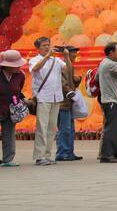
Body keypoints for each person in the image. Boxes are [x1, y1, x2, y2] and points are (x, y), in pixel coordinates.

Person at [28, 37, 65, 166]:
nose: (47, 47)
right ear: (38, 48)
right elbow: (36, 68)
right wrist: (47, 56)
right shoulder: (34, 60)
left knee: (52, 128)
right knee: (41, 127)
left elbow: (68, 70)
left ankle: (48, 155)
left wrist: (67, 56)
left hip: (56, 97)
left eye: (48, 45)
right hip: (43, 97)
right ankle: (39, 156)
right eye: (44, 45)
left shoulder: (56, 60)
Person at [0, 50, 27, 167]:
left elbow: (18, 91)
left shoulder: (20, 75)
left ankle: (8, 159)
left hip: (11, 110)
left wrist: (24, 99)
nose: (19, 67)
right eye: (16, 65)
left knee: (9, 134)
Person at [55, 46, 82, 161]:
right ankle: (62, 153)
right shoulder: (63, 66)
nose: (76, 54)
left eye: (76, 52)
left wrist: (76, 80)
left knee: (70, 129)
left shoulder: (69, 65)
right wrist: (70, 92)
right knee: (65, 129)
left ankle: (69, 152)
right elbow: (63, 84)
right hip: (63, 103)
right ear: (67, 53)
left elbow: (68, 83)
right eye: (73, 52)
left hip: (68, 103)